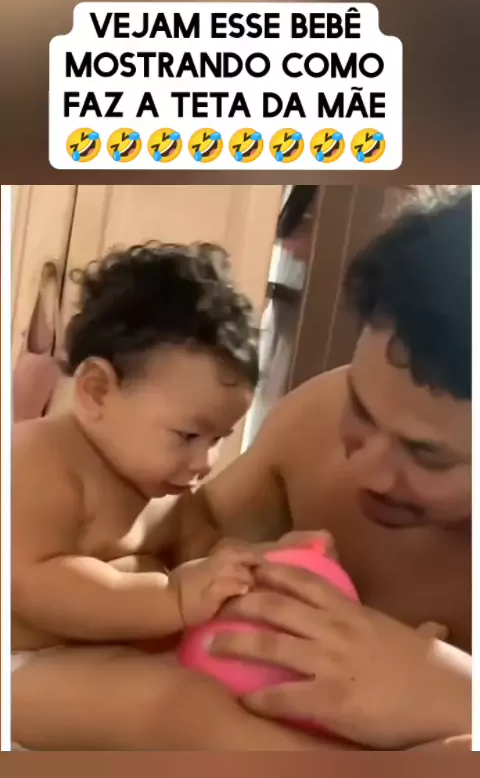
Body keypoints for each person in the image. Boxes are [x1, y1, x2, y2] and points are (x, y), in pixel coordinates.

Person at [13, 242, 327, 751]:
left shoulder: (170, 489)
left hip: (99, 663)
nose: (206, 461)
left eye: (219, 438)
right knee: (172, 704)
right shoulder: (39, 460)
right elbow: (32, 583)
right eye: (188, 435)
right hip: (19, 668)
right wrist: (172, 598)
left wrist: (264, 566)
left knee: (226, 680)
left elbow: (206, 552)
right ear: (97, 391)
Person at [190, 191, 472, 750]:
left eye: (428, 455)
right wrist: (222, 569)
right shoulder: (314, 420)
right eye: (360, 410)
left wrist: (458, 695)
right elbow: (157, 546)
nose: (365, 470)